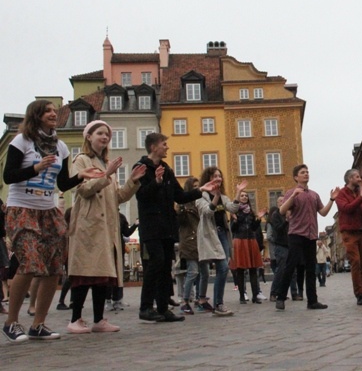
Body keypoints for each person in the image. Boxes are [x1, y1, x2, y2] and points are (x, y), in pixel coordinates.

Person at [2, 100, 102, 342]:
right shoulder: (21, 142)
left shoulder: (61, 147)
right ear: (36, 115)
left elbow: (62, 184)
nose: (53, 114)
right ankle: (11, 322)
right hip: (23, 209)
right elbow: (9, 176)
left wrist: (81, 176)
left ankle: (39, 324)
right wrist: (36, 167)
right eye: (48, 111)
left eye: (54, 111)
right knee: (29, 264)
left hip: (48, 212)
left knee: (54, 267)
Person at [66, 120, 146, 334]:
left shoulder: (105, 163)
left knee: (102, 274)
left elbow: (118, 197)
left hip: (106, 226)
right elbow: (82, 189)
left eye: (107, 135)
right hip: (89, 224)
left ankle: (99, 319)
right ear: (88, 136)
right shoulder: (81, 160)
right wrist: (106, 174)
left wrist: (132, 181)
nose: (104, 137)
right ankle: (76, 318)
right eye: (100, 133)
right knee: (85, 272)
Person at [134, 133, 216, 323]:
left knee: (164, 267)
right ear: (154, 147)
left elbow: (179, 196)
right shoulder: (141, 168)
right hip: (151, 225)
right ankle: (145, 307)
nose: (167, 147)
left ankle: (163, 309)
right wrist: (156, 183)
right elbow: (141, 196)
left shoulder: (167, 169)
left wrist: (200, 190)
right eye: (164, 144)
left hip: (167, 227)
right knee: (155, 263)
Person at [275, 164, 339, 311]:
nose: (306, 174)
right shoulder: (292, 192)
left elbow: (323, 212)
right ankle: (280, 297)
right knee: (290, 266)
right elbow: (282, 210)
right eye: (303, 172)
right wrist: (293, 196)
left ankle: (312, 301)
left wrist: (331, 199)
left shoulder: (314, 195)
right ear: (296, 177)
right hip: (296, 234)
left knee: (311, 269)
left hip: (311, 236)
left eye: (307, 172)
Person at [194, 167, 238, 316]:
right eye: (215, 176)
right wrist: (215, 197)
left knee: (223, 269)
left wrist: (238, 193)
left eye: (220, 176)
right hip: (210, 235)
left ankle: (218, 303)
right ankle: (218, 304)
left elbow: (232, 208)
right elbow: (207, 212)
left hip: (223, 235)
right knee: (223, 267)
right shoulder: (201, 196)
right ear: (209, 178)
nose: (219, 178)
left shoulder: (223, 196)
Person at [335, 169, 362, 306]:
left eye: (360, 176)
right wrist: (361, 197)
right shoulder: (341, 194)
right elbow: (347, 208)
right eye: (357, 177)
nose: (359, 179)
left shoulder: (360, 192)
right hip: (350, 232)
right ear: (349, 179)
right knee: (356, 262)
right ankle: (358, 294)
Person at [230, 189, 265, 304]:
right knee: (240, 269)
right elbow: (233, 229)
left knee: (253, 269)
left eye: (246, 196)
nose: (244, 197)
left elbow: (254, 228)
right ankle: (242, 295)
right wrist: (235, 221)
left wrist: (258, 219)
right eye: (242, 195)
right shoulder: (235, 211)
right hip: (239, 240)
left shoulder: (251, 212)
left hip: (251, 240)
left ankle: (255, 295)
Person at [176, 176, 200, 315]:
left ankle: (198, 298)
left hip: (198, 240)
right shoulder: (184, 205)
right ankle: (185, 300)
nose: (197, 188)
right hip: (189, 240)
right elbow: (181, 222)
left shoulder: (198, 203)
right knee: (193, 272)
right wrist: (181, 210)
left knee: (201, 272)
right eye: (195, 186)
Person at [268, 197, 299, 302]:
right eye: (280, 201)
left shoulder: (291, 213)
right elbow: (278, 229)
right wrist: (286, 220)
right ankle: (274, 293)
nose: (282, 202)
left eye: (284, 201)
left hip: (291, 244)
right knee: (280, 270)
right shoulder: (275, 215)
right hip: (281, 245)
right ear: (277, 204)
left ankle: (294, 293)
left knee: (293, 271)